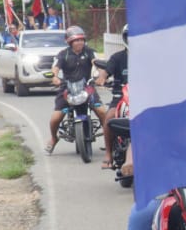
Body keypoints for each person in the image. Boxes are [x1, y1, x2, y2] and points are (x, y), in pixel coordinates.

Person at [45, 26, 110, 160]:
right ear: (70, 42)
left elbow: (97, 63)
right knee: (55, 118)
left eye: (81, 40)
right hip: (67, 88)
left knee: (103, 112)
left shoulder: (89, 52)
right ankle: (53, 138)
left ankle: (109, 139)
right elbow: (55, 68)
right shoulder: (63, 54)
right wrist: (55, 77)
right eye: (76, 40)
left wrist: (101, 76)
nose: (79, 42)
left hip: (87, 87)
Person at [97, 25, 130, 160]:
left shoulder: (147, 56)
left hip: (143, 97)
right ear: (125, 38)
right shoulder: (117, 58)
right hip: (121, 96)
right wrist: (102, 78)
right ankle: (108, 153)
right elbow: (106, 71)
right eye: (129, 36)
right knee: (109, 118)